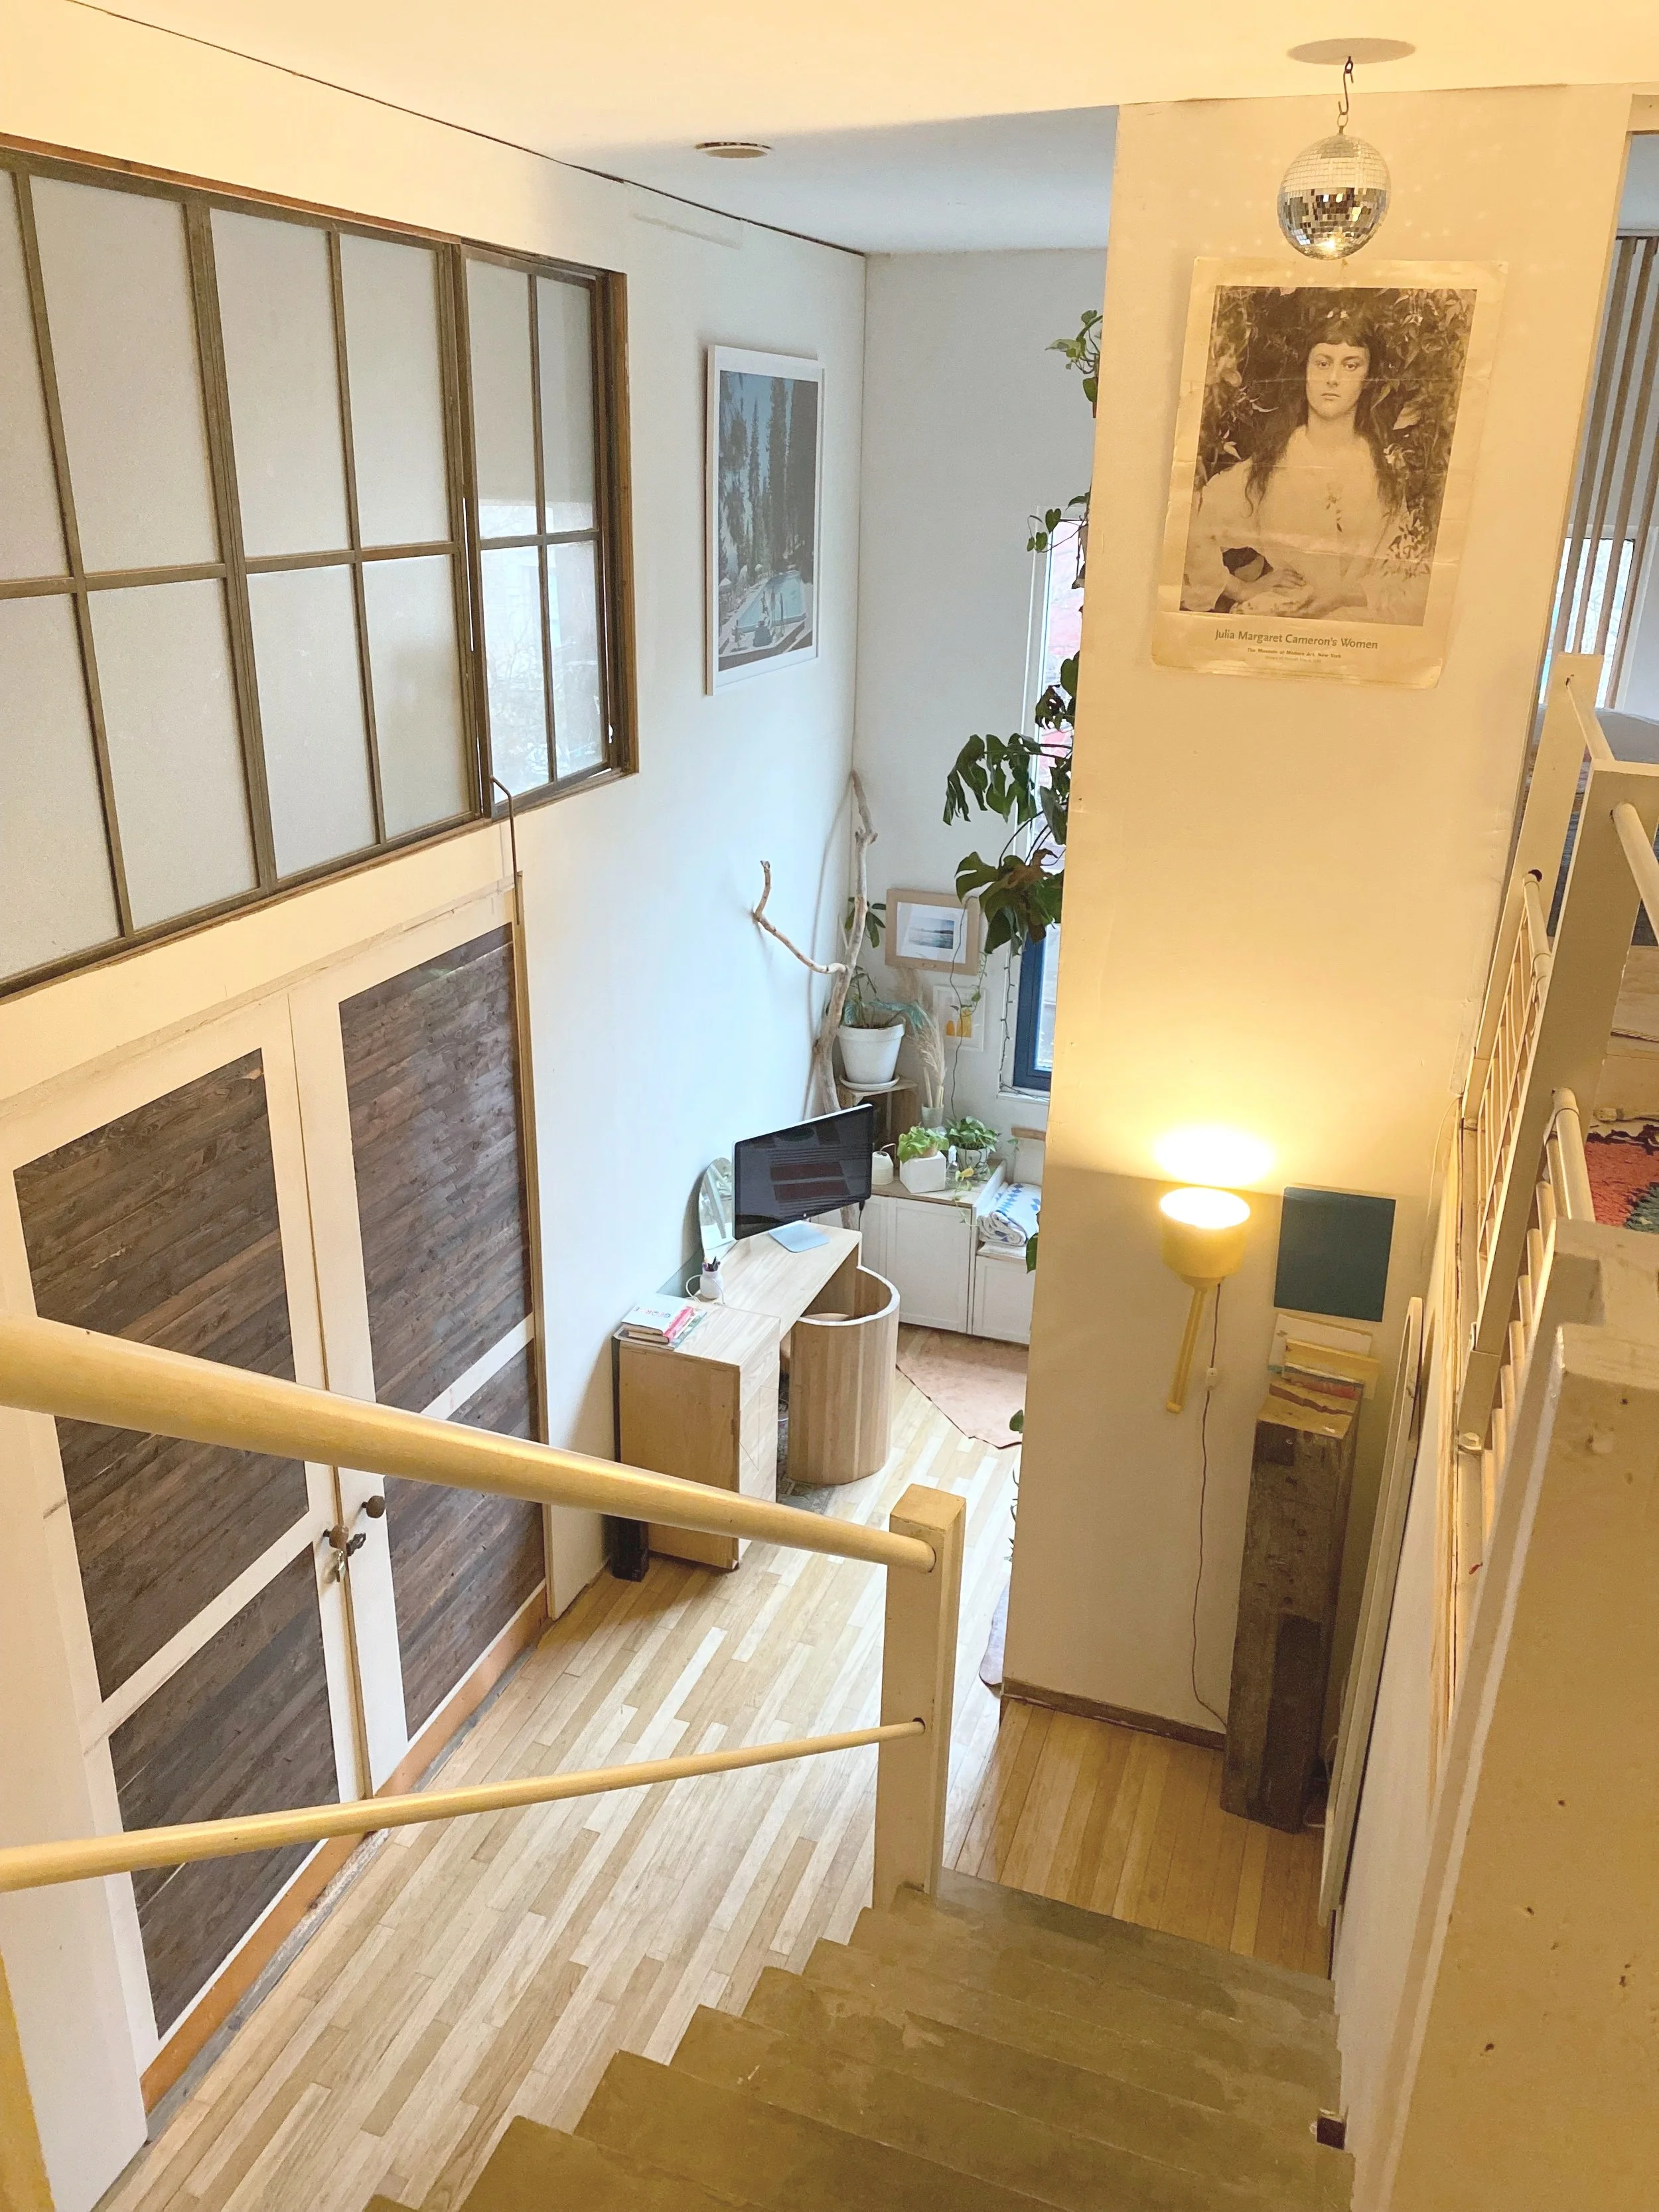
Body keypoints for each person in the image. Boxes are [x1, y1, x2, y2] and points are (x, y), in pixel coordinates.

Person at [1181, 307, 1429, 626]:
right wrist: (1241, 590)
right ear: (1306, 371)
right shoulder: (1268, 469)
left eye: (1350, 365)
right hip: (1283, 620)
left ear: (1368, 378)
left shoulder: (1389, 470)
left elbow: (1416, 572)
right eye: (1323, 363)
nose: (1333, 379)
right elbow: (1192, 524)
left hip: (1363, 626)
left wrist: (1345, 596)